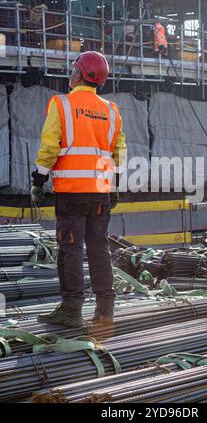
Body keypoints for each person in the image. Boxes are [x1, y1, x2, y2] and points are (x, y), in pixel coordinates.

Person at [30, 51, 126, 329]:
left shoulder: (61, 105)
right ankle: (105, 311)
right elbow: (119, 151)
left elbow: (50, 146)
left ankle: (72, 310)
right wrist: (114, 186)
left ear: (79, 74)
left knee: (71, 249)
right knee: (99, 249)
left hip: (71, 193)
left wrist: (38, 182)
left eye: (73, 70)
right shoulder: (111, 110)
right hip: (100, 192)